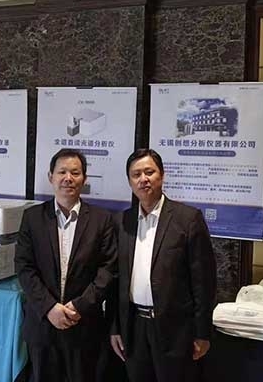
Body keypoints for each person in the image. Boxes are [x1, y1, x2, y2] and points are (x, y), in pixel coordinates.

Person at [109, 148, 216, 382]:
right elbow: (115, 280)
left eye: (149, 172)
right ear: (129, 182)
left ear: (162, 175)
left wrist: (202, 332)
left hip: (175, 329)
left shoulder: (188, 219)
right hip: (133, 328)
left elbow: (204, 281)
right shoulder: (121, 221)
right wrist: (115, 328)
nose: (143, 179)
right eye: (136, 174)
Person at [15, 148, 117, 382]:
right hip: (43, 324)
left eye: (75, 173)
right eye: (62, 172)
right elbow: (24, 266)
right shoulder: (32, 217)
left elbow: (108, 270)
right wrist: (50, 307)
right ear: (50, 176)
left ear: (84, 179)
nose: (68, 178)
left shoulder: (102, 219)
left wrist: (79, 306)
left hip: (84, 326)